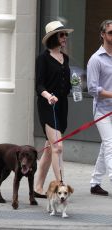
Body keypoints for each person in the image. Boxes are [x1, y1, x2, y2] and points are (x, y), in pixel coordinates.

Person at [34, 21, 74, 198]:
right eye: (61, 35)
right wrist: (48, 95)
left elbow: (65, 85)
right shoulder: (43, 58)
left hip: (62, 107)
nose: (65, 37)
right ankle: (61, 186)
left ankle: (36, 187)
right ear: (53, 38)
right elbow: (39, 84)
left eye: (65, 35)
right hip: (47, 106)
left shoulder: (66, 59)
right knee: (57, 146)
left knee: (50, 149)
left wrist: (74, 85)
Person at [87, 19, 112, 196]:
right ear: (102, 34)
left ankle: (95, 183)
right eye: (110, 32)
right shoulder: (96, 60)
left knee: (106, 146)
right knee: (111, 145)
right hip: (102, 111)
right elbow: (92, 89)